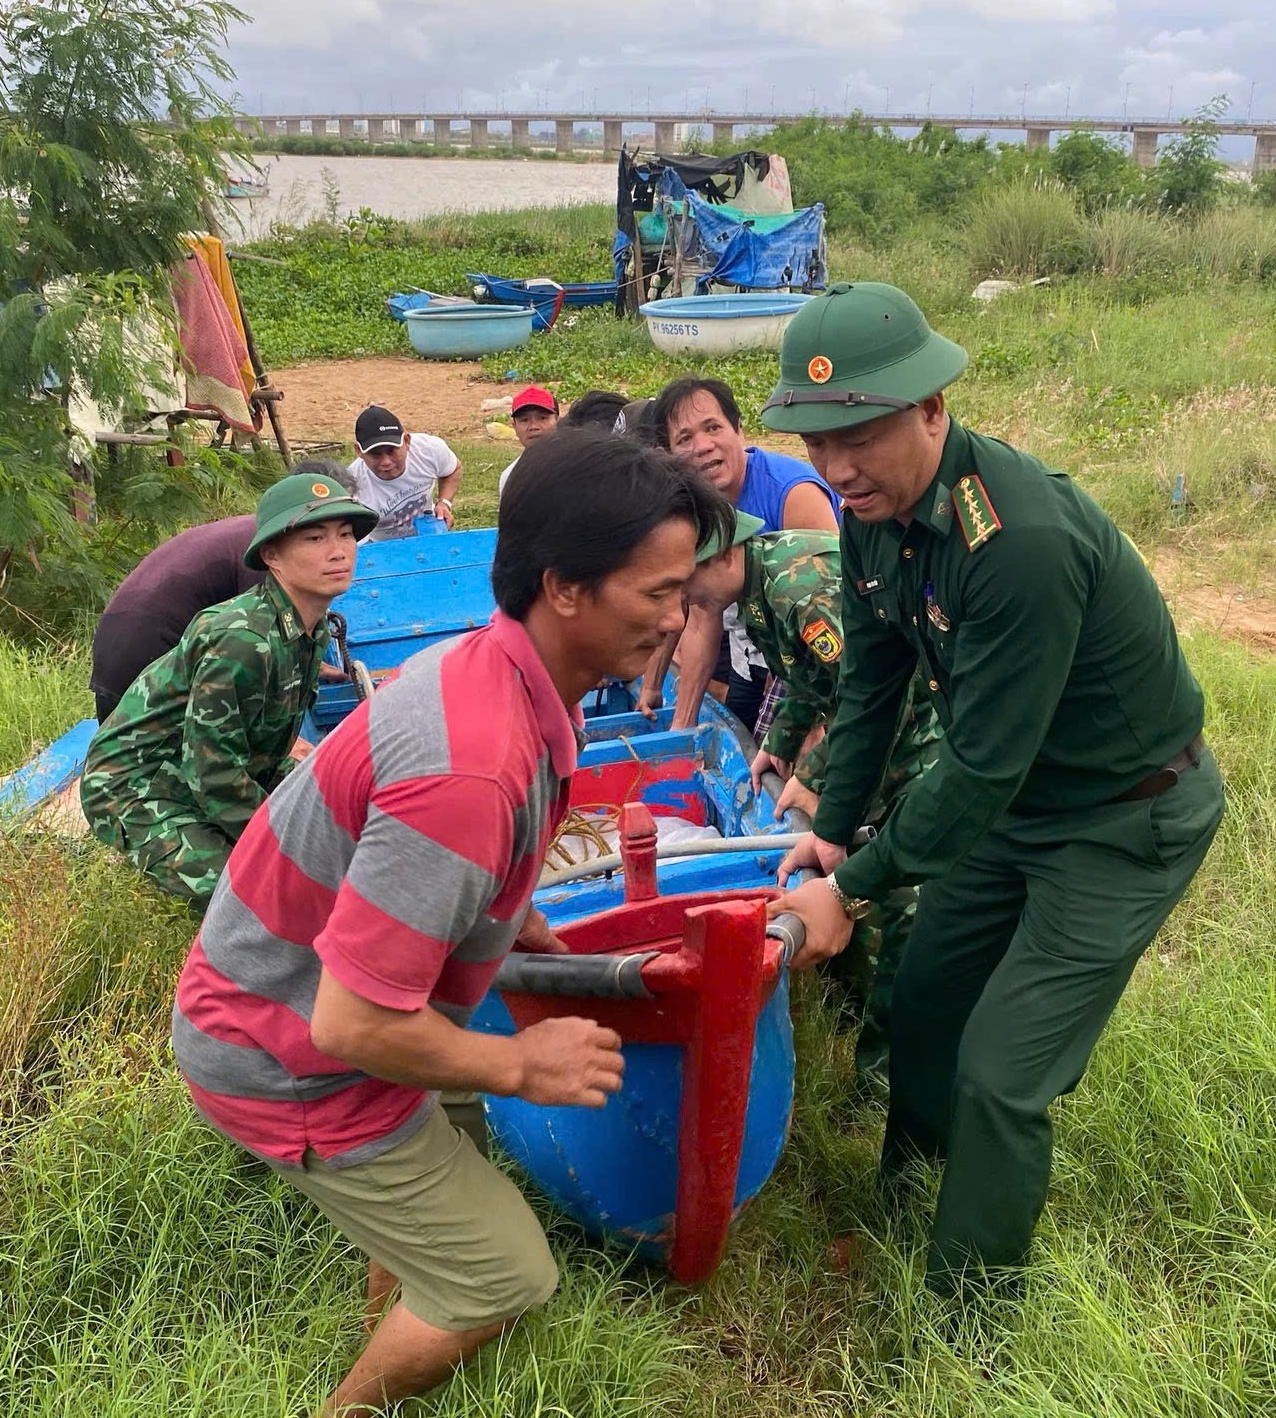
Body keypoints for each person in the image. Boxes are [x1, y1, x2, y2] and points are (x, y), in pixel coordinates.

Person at [170, 430, 727, 1413]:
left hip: (320, 999)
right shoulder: (469, 768)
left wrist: (524, 930)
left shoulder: (503, 675)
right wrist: (519, 1065)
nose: (677, 618)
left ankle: (408, 1291)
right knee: (507, 1274)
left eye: (683, 591)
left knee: (453, 1137)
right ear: (563, 587)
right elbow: (348, 1025)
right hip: (283, 1049)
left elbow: (460, 879)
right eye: (655, 593)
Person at [765, 282, 1225, 1292]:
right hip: (1016, 806)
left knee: (1000, 1077)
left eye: (862, 436)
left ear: (931, 409)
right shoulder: (872, 513)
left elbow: (976, 765)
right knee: (923, 999)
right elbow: (873, 672)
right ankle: (907, 1201)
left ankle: (965, 1314)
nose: (837, 470)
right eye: (815, 446)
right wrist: (834, 831)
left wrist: (844, 893)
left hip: (1122, 819)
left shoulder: (1016, 542)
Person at [685, 510, 941, 1079]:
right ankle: (854, 1006)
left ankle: (887, 1073)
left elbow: (880, 695)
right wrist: (778, 742)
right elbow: (807, 676)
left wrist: (818, 772)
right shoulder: (757, 586)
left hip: (920, 743)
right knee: (859, 874)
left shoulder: (797, 589)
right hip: (879, 745)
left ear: (723, 555)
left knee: (899, 901)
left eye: (686, 579)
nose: (684, 597)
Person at [81, 472, 376, 906]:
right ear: (272, 556)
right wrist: (289, 851)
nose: (338, 552)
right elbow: (213, 776)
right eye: (315, 539)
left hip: (207, 770)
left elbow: (265, 745)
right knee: (255, 897)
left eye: (346, 534)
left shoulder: (307, 631)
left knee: (342, 816)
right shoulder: (243, 639)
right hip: (135, 785)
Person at [88, 459, 359, 720]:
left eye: (345, 529)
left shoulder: (262, 533)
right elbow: (260, 653)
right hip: (146, 660)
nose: (336, 546)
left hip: (120, 642)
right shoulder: (271, 553)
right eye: (318, 533)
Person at [651, 376, 838, 730]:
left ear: (739, 430)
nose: (702, 446)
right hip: (753, 644)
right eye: (685, 438)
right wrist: (679, 726)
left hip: (812, 649)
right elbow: (701, 615)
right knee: (746, 733)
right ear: (669, 454)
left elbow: (834, 610)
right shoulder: (692, 505)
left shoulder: (792, 495)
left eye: (713, 428)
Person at [349, 404, 461, 540]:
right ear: (359, 451)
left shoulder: (429, 450)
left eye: (391, 451)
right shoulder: (351, 487)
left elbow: (452, 469)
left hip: (426, 534)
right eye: (375, 454)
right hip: (379, 545)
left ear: (407, 441)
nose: (386, 462)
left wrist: (444, 503)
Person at [497, 386, 558, 494]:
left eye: (542, 418)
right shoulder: (510, 477)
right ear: (514, 426)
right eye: (524, 420)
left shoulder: (579, 466)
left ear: (558, 421)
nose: (533, 426)